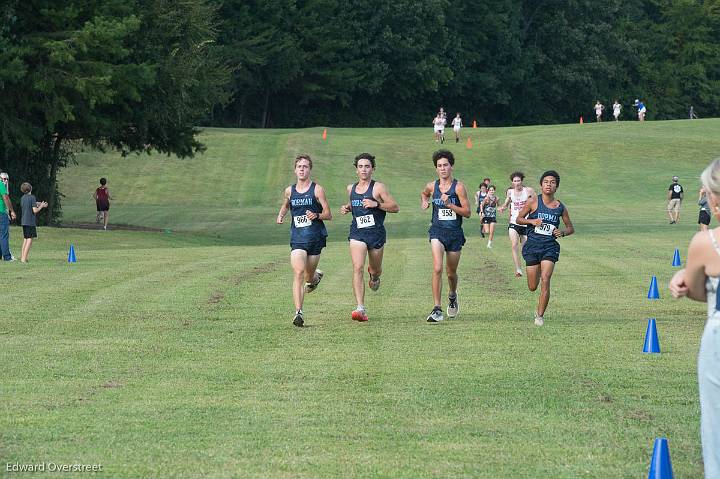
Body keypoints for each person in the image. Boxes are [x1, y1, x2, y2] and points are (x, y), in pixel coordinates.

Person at [668, 158, 720, 478]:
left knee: (716, 427)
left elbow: (700, 292)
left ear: (714, 198)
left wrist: (682, 279)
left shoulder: (706, 243)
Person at [339, 153, 399, 322]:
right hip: (357, 233)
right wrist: (347, 207)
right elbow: (356, 204)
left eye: (367, 166)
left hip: (376, 234)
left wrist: (377, 204)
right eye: (360, 166)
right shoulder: (351, 188)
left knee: (375, 270)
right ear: (356, 170)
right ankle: (360, 307)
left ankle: (374, 276)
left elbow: (395, 207)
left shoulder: (378, 188)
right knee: (357, 267)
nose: (364, 169)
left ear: (372, 169)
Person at [276, 154, 332, 327]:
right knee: (299, 273)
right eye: (299, 166)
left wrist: (316, 215)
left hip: (315, 237)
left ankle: (315, 277)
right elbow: (286, 204)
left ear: (310, 169)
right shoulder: (289, 190)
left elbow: (328, 214)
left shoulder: (317, 190)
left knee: (308, 276)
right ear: (295, 169)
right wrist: (281, 215)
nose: (302, 169)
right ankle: (298, 312)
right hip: (298, 239)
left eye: (305, 166)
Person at [515, 170, 574, 326]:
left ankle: (540, 316)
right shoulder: (533, 201)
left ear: (557, 187)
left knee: (545, 279)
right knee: (532, 287)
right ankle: (538, 268)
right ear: (541, 185)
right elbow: (519, 219)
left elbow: (570, 228)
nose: (549, 184)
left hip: (549, 247)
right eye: (546, 182)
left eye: (553, 182)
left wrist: (562, 232)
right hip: (533, 246)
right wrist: (531, 222)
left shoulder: (560, 207)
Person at [420, 150, 471, 322]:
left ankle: (452, 295)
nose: (442, 168)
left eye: (445, 165)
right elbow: (424, 193)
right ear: (436, 169)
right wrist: (424, 201)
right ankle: (437, 309)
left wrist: (450, 204)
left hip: (455, 233)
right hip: (437, 231)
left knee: (451, 273)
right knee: (437, 268)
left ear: (451, 166)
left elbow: (467, 212)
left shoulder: (458, 187)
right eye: (439, 166)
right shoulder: (431, 186)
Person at [499, 172, 535, 277]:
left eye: (518, 180)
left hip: (526, 222)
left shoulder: (528, 190)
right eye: (514, 181)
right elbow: (506, 204)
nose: (516, 183)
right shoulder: (510, 192)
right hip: (514, 222)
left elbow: (536, 203)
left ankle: (532, 267)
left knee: (525, 248)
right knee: (514, 245)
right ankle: (518, 270)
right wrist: (502, 208)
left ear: (522, 181)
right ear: (512, 182)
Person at [19, 182, 48, 263]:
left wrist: (40, 204)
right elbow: (34, 210)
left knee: (25, 239)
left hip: (24, 221)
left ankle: (22, 257)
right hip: (30, 222)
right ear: (30, 188)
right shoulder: (32, 197)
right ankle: (23, 259)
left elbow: (31, 204)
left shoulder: (23, 198)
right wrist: (41, 206)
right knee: (29, 239)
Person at [0, 172, 16, 261]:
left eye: (6, 179)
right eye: (2, 178)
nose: (4, 180)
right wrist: (12, 211)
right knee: (4, 235)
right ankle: (7, 257)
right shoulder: (1, 185)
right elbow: (5, 198)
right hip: (1, 213)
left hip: (3, 212)